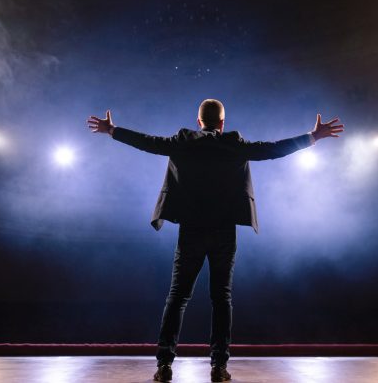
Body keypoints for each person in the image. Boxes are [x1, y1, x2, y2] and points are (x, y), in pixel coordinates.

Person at [87, 99, 344, 382]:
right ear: (223, 124)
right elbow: (272, 149)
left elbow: (148, 143)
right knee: (221, 298)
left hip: (191, 231)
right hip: (223, 232)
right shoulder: (234, 143)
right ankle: (219, 367)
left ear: (198, 121)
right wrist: (313, 137)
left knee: (177, 297)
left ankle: (164, 365)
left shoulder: (183, 141)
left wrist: (113, 131)